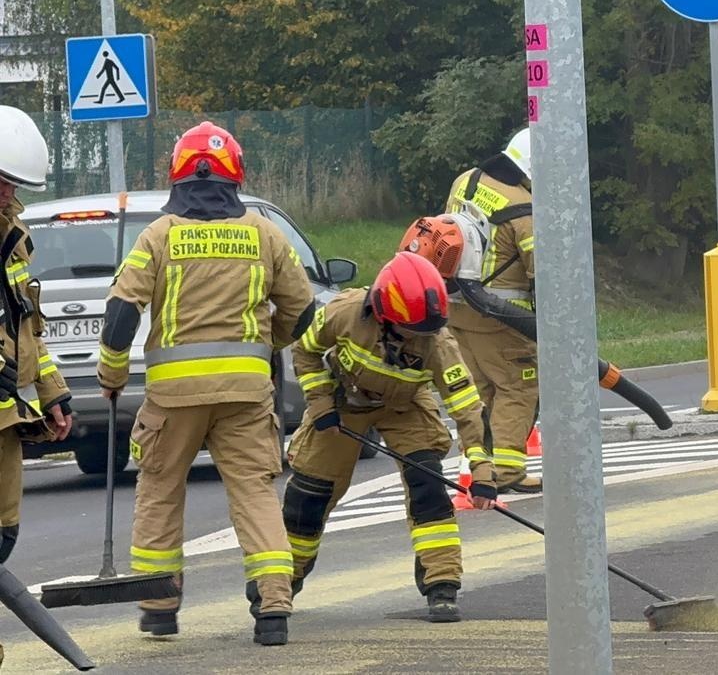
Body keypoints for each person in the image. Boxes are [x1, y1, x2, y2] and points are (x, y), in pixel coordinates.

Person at [97, 122, 315, 646]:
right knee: (255, 493)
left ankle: (158, 607)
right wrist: (266, 345)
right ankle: (273, 609)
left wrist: (112, 373)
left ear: (178, 176)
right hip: (245, 393)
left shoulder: (158, 235)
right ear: (235, 176)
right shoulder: (265, 234)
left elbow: (122, 312)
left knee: (159, 493)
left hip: (174, 398)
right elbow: (303, 309)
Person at [281, 251, 496, 623]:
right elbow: (305, 352)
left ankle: (442, 584)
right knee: (309, 495)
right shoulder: (343, 313)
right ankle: (282, 584)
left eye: (426, 331)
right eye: (412, 331)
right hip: (342, 402)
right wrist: (319, 403)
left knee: (427, 483)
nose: (420, 339)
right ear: (383, 314)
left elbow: (467, 409)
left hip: (406, 406)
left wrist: (482, 472)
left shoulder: (438, 343)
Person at [0, 106, 73, 666]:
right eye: (3, 184)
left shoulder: (13, 238)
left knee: (2, 541)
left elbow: (28, 329)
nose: (10, 197)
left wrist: (53, 393)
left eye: (15, 188)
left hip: (7, 418)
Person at [444, 128, 541, 493]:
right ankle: (509, 472)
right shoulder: (523, 209)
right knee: (518, 388)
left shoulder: (464, 182)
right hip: (502, 320)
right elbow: (541, 274)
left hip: (457, 309)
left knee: (481, 392)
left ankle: (479, 470)